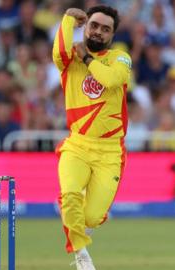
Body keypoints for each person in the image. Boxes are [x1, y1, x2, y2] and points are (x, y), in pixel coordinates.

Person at [52, 5, 131, 270]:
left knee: (94, 217)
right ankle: (81, 255)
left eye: (105, 29)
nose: (98, 32)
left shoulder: (120, 58)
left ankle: (75, 213)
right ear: (85, 27)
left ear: (112, 35)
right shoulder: (69, 60)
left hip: (110, 150)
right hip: (77, 144)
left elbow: (110, 80)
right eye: (93, 25)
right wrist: (67, 21)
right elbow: (58, 52)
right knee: (71, 194)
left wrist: (87, 58)